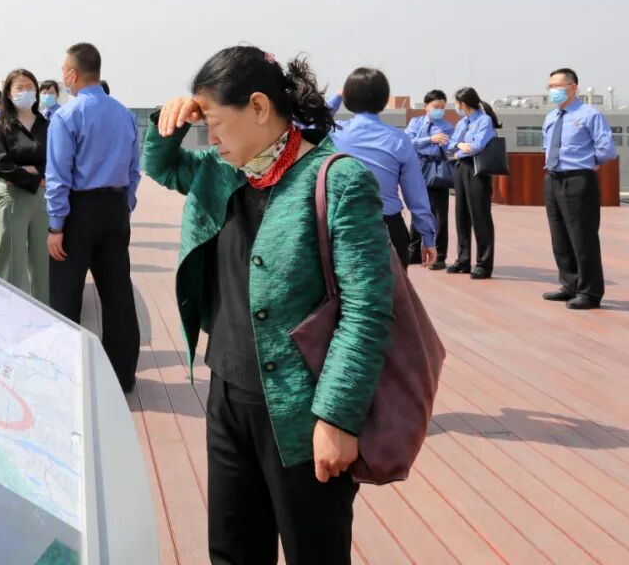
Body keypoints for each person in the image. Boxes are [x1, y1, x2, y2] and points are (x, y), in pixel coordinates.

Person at [144, 46, 393, 565]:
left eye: (215, 123)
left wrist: (338, 418)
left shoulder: (336, 179)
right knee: (232, 551)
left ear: (258, 107)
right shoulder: (223, 170)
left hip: (302, 411)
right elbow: (162, 167)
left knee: (314, 553)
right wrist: (171, 120)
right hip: (227, 394)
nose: (210, 138)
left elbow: (366, 309)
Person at [46, 43, 141, 392]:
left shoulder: (66, 116)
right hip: (115, 209)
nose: (63, 78)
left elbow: (58, 176)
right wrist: (123, 206)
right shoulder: (124, 113)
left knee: (66, 294)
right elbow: (134, 170)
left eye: (63, 72)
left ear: (73, 74)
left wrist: (56, 225)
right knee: (118, 293)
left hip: (78, 211)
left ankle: (67, 377)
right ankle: (122, 376)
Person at [325, 69, 436, 270]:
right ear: (384, 100)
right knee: (392, 289)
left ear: (349, 99)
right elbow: (416, 196)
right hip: (388, 229)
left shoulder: (334, 133)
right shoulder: (400, 140)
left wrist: (338, 96)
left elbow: (304, 124)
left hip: (343, 228)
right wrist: (427, 237)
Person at [541, 68, 617, 310]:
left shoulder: (589, 114)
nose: (552, 90)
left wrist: (588, 162)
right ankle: (569, 284)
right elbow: (547, 147)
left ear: (573, 88)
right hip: (553, 178)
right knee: (559, 236)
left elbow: (607, 149)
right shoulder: (551, 117)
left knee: (583, 237)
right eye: (550, 86)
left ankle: (590, 292)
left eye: (556, 86)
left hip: (578, 179)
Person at [0, 69, 50, 304]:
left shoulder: (47, 125)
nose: (26, 92)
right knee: (8, 263)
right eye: (20, 88)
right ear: (9, 93)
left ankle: (44, 314)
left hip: (43, 200)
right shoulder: (0, 125)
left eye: (30, 87)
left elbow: (56, 162)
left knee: (43, 265)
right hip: (12, 198)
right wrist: (36, 177)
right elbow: (1, 166)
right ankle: (4, 311)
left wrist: (29, 170)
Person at [446, 87, 501, 279]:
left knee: (480, 215)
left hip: (477, 169)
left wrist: (459, 150)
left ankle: (484, 264)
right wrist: (459, 145)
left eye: (456, 103)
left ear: (463, 103)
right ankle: (463, 260)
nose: (456, 107)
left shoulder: (484, 120)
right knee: (461, 215)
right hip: (461, 167)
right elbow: (451, 144)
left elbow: (477, 146)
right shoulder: (462, 122)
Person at [404, 89, 455, 270]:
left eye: (442, 107)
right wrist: (430, 139)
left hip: (437, 172)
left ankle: (440, 256)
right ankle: (414, 251)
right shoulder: (415, 122)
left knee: (439, 215)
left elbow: (444, 149)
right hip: (417, 171)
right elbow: (407, 142)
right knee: (417, 211)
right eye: (435, 106)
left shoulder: (447, 127)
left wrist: (423, 145)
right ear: (426, 106)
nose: (439, 110)